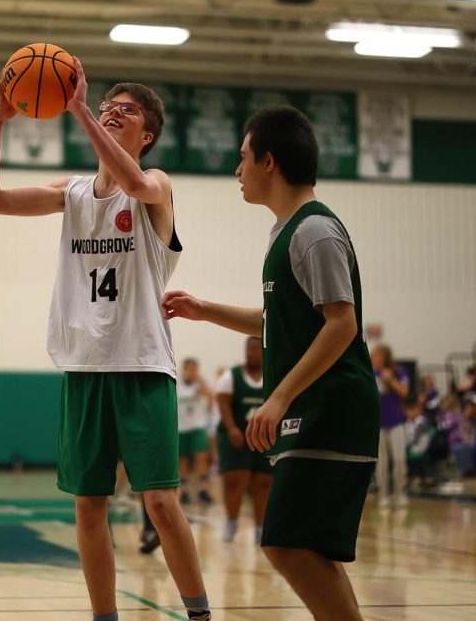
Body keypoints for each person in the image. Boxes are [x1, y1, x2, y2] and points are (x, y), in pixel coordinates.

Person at [0, 60, 212, 621]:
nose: (111, 112)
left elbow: (131, 180)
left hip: (143, 365)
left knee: (158, 501)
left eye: (124, 111)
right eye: (107, 105)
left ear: (146, 135)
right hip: (84, 367)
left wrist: (79, 107)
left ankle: (199, 614)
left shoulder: (155, 188)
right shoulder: (73, 192)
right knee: (88, 509)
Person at [162, 107, 379, 621]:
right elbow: (278, 323)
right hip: (318, 412)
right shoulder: (286, 233)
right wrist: (203, 309)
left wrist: (277, 396)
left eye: (243, 158)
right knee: (303, 547)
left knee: (284, 541)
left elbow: (341, 324)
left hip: (333, 410)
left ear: (269, 162)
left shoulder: (315, 231)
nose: (238, 170)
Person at [215, 336, 273, 544]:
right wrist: (231, 428)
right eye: (249, 348)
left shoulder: (273, 374)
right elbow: (223, 404)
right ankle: (231, 522)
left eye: (256, 348)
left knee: (263, 482)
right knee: (235, 480)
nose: (252, 353)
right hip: (236, 437)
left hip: (264, 436)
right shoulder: (231, 376)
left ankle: (261, 528)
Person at [370, 344, 410, 508]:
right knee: (382, 462)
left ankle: (400, 493)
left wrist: (390, 380)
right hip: (378, 423)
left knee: (399, 459)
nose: (373, 358)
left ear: (384, 356)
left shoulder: (398, 371)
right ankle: (383, 494)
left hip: (396, 422)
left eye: (376, 355)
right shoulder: (370, 373)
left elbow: (404, 392)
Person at [176, 357, 214, 505]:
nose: (192, 372)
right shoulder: (177, 384)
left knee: (201, 457)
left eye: (194, 369)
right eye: (189, 369)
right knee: (183, 459)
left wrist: (203, 384)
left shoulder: (201, 384)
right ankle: (184, 491)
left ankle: (204, 490)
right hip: (181, 428)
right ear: (184, 370)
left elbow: (212, 398)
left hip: (198, 427)